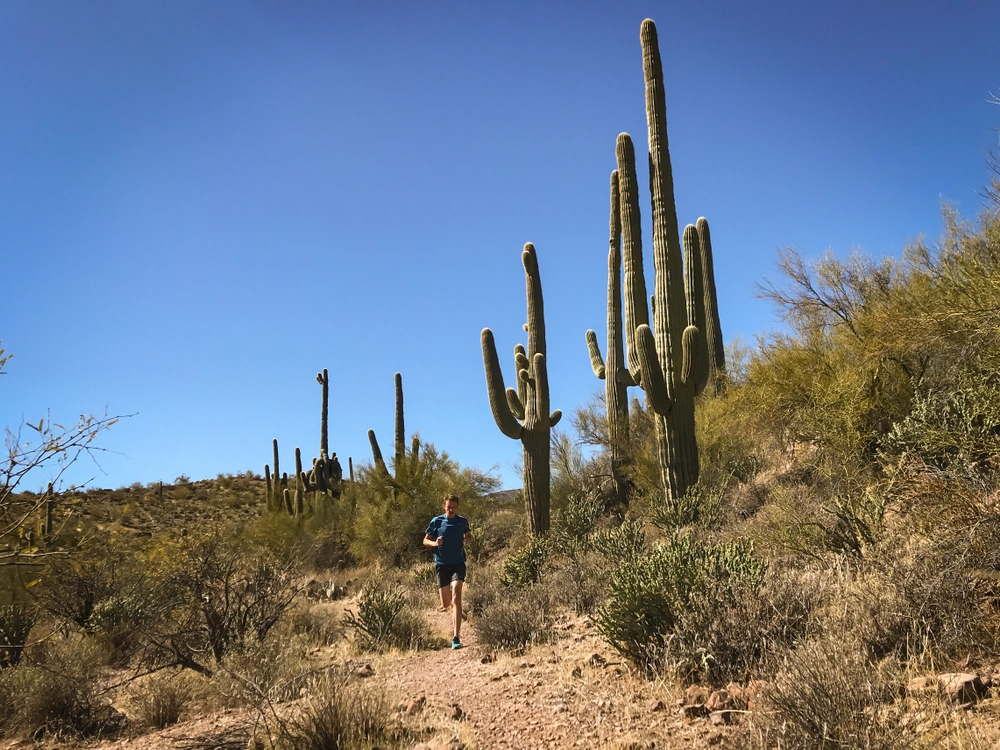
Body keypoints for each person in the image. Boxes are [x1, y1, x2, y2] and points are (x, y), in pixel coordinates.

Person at [423, 494, 471, 649]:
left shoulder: (462, 521)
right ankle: (454, 605)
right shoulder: (436, 521)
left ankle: (456, 637)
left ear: (458, 507)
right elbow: (425, 540)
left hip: (458, 563)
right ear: (444, 506)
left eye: (454, 507)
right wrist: (435, 543)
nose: (451, 509)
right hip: (442, 565)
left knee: (457, 595)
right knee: (446, 603)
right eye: (448, 507)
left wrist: (468, 539)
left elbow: (467, 534)